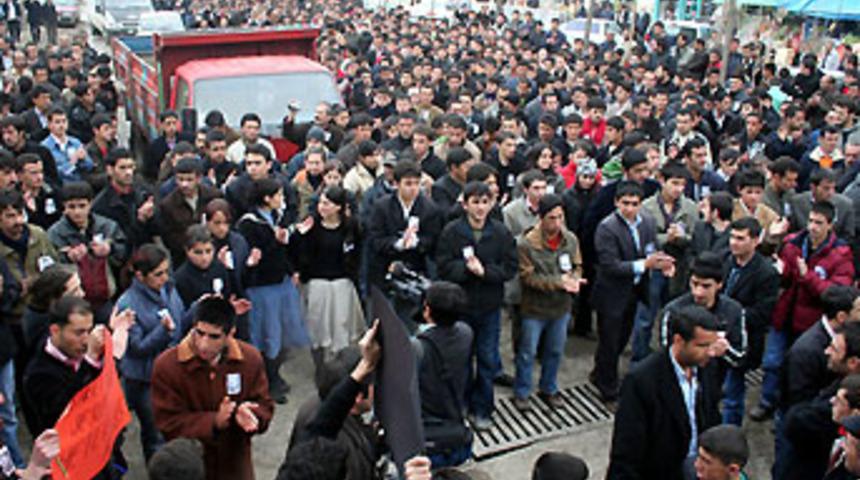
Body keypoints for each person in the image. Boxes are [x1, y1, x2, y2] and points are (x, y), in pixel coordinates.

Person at [151, 296, 274, 480]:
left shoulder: (250, 360)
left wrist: (252, 415)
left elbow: (265, 406)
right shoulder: (168, 366)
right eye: (199, 333)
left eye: (214, 336)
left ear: (230, 333)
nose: (203, 344)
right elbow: (167, 423)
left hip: (235, 466)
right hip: (190, 470)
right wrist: (213, 422)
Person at [752, 201, 855, 421]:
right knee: (772, 363)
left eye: (819, 222)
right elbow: (783, 274)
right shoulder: (794, 243)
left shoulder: (840, 253)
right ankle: (767, 402)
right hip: (785, 313)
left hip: (811, 320)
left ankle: (789, 409)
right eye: (810, 221)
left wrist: (808, 276)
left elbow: (836, 293)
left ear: (830, 225)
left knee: (800, 368)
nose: (812, 227)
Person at [608, 304, 722, 480]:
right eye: (702, 345)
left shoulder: (706, 367)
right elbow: (627, 450)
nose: (711, 352)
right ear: (678, 340)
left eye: (711, 345)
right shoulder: (642, 381)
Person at [436, 182, 517, 428]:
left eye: (485, 202)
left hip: (489, 307)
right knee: (460, 360)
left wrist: (485, 272)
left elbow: (509, 268)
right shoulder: (452, 232)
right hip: (461, 307)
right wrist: (466, 270)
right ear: (465, 204)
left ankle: (483, 408)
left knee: (486, 359)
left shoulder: (501, 233)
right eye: (475, 202)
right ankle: (459, 405)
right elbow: (443, 265)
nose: (480, 208)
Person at [590, 181, 673, 403]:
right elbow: (610, 265)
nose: (629, 208)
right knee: (609, 341)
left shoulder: (646, 222)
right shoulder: (607, 227)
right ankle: (607, 389)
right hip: (611, 294)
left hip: (634, 290)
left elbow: (653, 248)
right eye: (625, 203)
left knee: (621, 338)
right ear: (617, 203)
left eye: (634, 203)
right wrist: (644, 265)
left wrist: (663, 263)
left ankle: (599, 373)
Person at [23, 296, 124, 478]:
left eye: (89, 330)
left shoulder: (80, 354)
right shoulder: (38, 374)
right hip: (72, 466)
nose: (86, 340)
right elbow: (69, 411)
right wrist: (91, 360)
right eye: (78, 333)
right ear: (55, 330)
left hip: (102, 453)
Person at [237, 177, 309, 403]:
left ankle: (275, 374)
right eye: (278, 195)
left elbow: (285, 250)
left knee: (284, 332)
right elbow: (257, 255)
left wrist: (293, 268)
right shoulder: (248, 224)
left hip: (282, 283)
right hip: (262, 287)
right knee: (267, 334)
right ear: (267, 199)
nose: (282, 199)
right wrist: (275, 240)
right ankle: (265, 381)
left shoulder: (278, 217)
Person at [514, 193, 585, 411]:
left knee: (555, 350)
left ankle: (549, 388)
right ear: (541, 218)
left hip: (561, 307)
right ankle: (522, 392)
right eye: (552, 218)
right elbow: (527, 277)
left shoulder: (570, 239)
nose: (557, 223)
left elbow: (577, 264)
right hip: (534, 308)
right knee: (527, 352)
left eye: (560, 217)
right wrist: (558, 282)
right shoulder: (526, 244)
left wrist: (574, 278)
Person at [660, 252, 747, 425]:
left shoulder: (733, 311)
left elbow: (741, 357)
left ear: (719, 285)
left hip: (713, 388)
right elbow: (665, 357)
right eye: (694, 284)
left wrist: (724, 350)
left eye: (706, 286)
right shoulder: (674, 311)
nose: (698, 292)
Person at [116, 244, 185, 461]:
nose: (165, 277)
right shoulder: (128, 303)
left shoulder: (167, 289)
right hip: (145, 380)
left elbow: (180, 321)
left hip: (172, 372)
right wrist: (163, 331)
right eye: (158, 274)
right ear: (140, 275)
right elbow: (137, 348)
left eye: (167, 271)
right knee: (155, 434)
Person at [294, 186, 364, 369]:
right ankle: (319, 368)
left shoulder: (351, 226)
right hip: (317, 284)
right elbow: (299, 254)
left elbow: (357, 254)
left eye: (327, 203)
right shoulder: (311, 225)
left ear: (338, 207)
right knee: (316, 328)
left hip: (342, 283)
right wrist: (300, 236)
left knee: (341, 327)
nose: (322, 207)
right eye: (321, 203)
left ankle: (340, 368)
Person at [721, 218, 780, 422]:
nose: (733, 243)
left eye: (740, 238)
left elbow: (762, 313)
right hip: (715, 336)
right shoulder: (725, 261)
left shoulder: (766, 273)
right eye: (732, 237)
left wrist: (730, 317)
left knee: (732, 396)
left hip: (741, 340)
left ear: (755, 241)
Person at [412, 282, 474, 467]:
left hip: (427, 427)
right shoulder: (466, 333)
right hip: (454, 421)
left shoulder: (417, 347)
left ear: (427, 310)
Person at [47, 181, 127, 324]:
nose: (77, 212)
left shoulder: (107, 226)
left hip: (104, 298)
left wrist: (110, 249)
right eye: (72, 207)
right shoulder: (55, 234)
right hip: (73, 304)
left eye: (82, 206)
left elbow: (123, 252)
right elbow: (49, 270)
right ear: (64, 208)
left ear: (90, 204)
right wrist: (66, 257)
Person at [157, 157, 223, 264]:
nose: (184, 184)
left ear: (199, 178)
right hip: (183, 259)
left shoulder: (213, 196)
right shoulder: (168, 205)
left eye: (189, 180)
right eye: (180, 179)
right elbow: (169, 238)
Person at [92, 148, 157, 251]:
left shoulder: (144, 192)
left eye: (131, 167)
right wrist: (140, 220)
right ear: (110, 170)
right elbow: (120, 242)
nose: (128, 172)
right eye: (122, 168)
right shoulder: (101, 206)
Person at [40, 105, 93, 184]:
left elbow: (89, 166)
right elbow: (51, 174)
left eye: (64, 121)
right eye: (57, 122)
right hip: (60, 186)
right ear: (49, 124)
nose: (61, 125)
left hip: (80, 183)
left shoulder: (76, 142)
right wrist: (71, 163)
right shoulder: (44, 147)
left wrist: (83, 159)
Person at [17, 153, 61, 231]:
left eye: (41, 172)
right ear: (20, 175)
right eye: (34, 173)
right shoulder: (13, 196)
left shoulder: (52, 193)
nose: (40, 177)